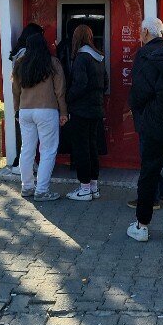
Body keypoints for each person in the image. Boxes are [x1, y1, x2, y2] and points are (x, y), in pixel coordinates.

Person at [126, 16, 163, 242]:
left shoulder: (145, 55)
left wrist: (138, 110)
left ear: (145, 32)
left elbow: (140, 90)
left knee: (149, 172)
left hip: (152, 122)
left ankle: (142, 225)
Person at [12, 33, 68, 201]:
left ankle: (27, 187)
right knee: (48, 151)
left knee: (27, 150)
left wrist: (16, 111)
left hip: (25, 111)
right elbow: (60, 91)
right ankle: (42, 190)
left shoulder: (20, 64)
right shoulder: (52, 63)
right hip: (47, 111)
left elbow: (15, 91)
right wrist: (63, 112)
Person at [65, 25, 108, 201]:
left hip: (81, 111)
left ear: (76, 38)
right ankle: (94, 187)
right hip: (96, 109)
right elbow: (105, 83)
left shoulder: (81, 57)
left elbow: (80, 84)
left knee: (82, 149)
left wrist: (68, 98)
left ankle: (84, 189)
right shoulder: (98, 57)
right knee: (92, 147)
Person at [7, 24, 45, 174]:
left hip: (22, 101)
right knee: (27, 141)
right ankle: (21, 166)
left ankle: (26, 165)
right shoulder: (25, 53)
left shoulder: (18, 51)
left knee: (27, 139)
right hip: (27, 100)